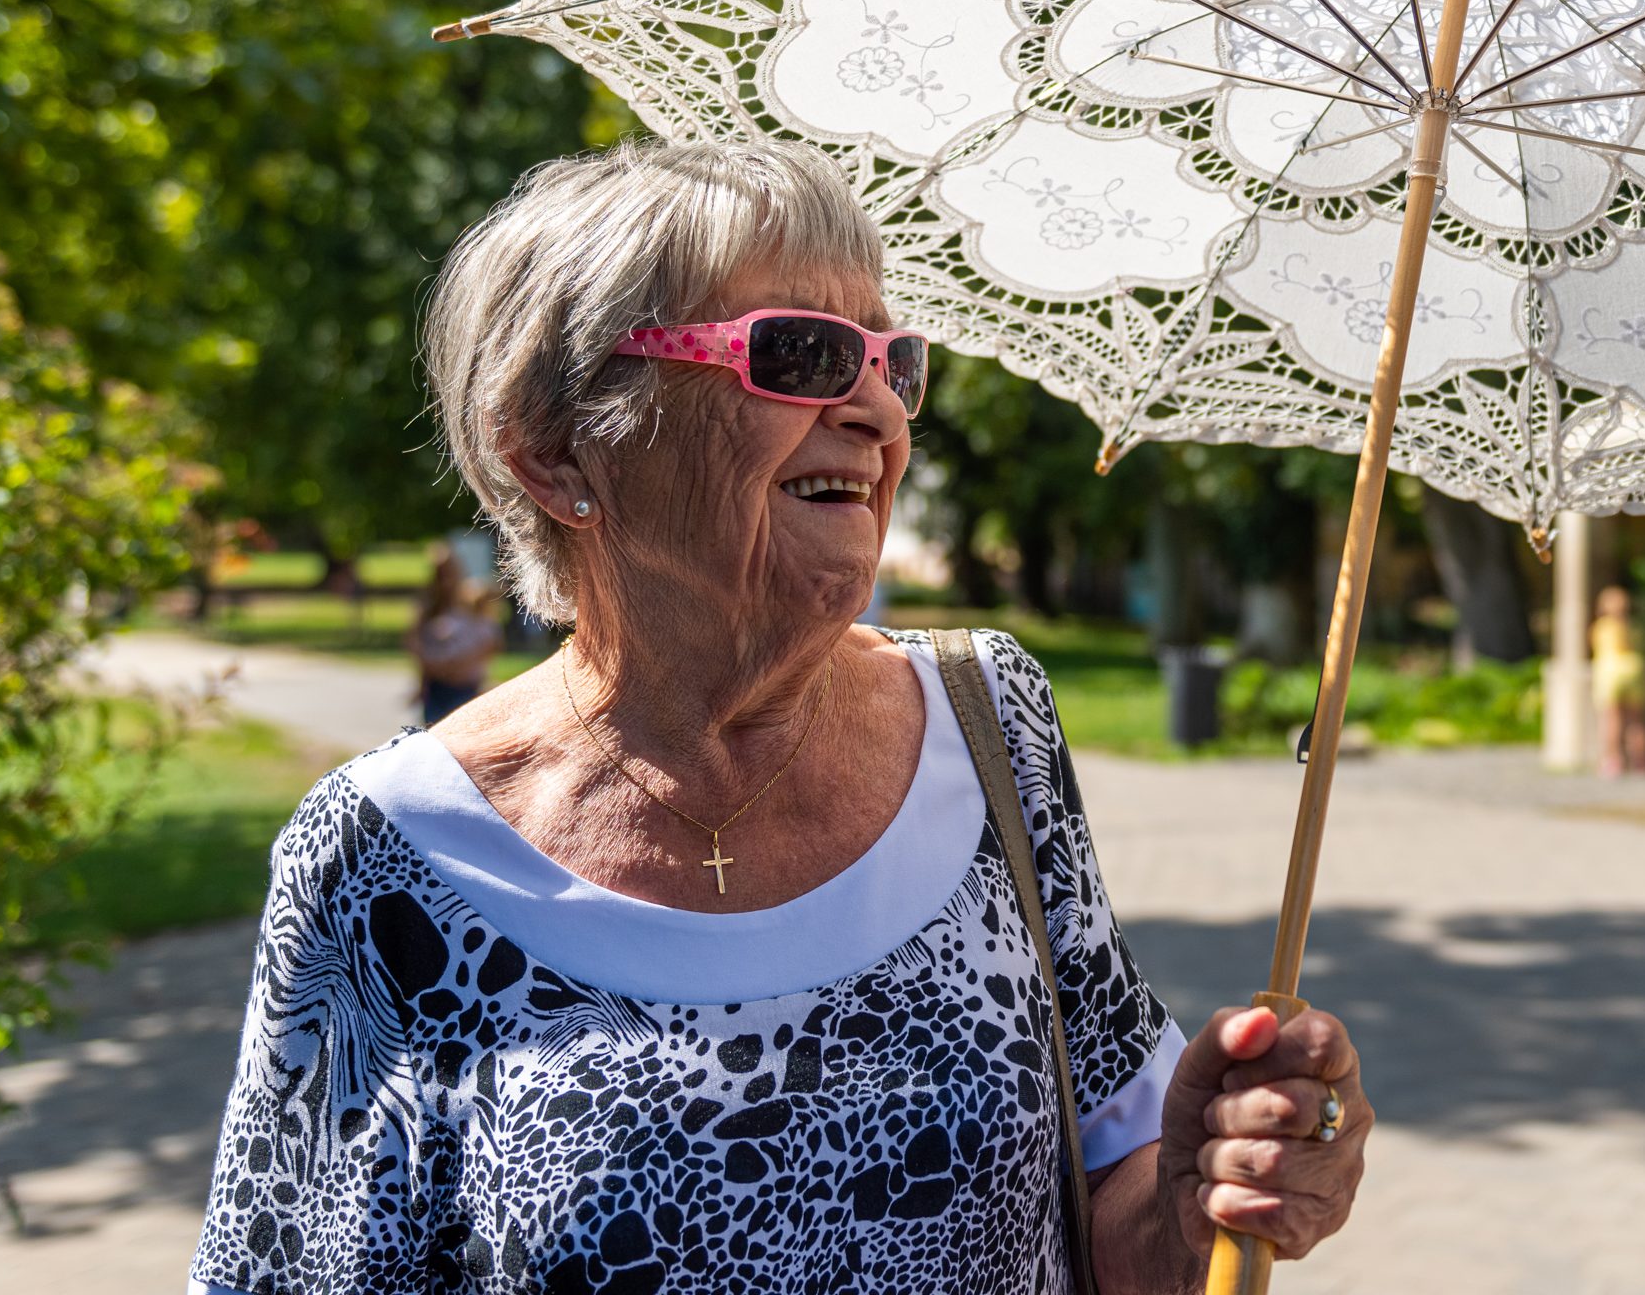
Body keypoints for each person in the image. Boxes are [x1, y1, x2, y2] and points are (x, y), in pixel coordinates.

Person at [189, 142, 1370, 1295]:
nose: (876, 411)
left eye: (890, 360)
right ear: (553, 451)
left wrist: (1206, 1191)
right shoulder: (390, 858)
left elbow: (1110, 1219)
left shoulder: (990, 720)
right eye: (798, 354)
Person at [405, 544, 501, 726]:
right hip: (437, 687)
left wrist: (464, 663)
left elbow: (490, 639)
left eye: (450, 572)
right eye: (441, 574)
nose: (446, 580)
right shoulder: (428, 608)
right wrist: (432, 669)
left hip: (467, 687)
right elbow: (414, 643)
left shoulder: (470, 601)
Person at [1590, 584, 1645, 776]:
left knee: (1611, 720)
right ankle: (1640, 762)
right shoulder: (1634, 626)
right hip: (1634, 668)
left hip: (1611, 670)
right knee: (1636, 721)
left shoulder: (1603, 627)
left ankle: (1612, 761)